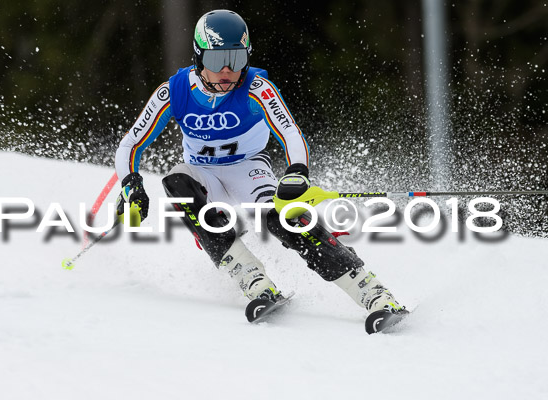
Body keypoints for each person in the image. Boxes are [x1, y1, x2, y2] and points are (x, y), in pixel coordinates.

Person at [114, 9, 406, 324]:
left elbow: (290, 133)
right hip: (204, 175)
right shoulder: (175, 91)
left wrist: (297, 172)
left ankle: (373, 293)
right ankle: (253, 281)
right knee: (176, 180)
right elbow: (131, 144)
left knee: (282, 216)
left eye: (237, 59)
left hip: (248, 170)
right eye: (216, 61)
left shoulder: (256, 88)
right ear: (199, 59)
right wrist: (131, 185)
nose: (227, 71)